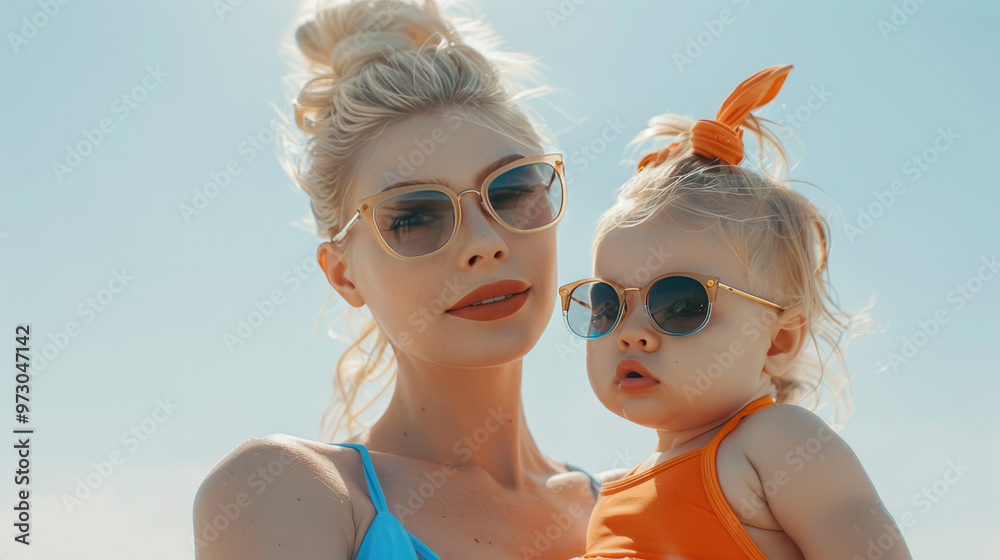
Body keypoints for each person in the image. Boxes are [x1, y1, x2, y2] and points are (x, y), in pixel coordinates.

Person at [193, 1, 600, 559]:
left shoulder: (638, 506)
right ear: (343, 275)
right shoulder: (290, 492)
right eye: (414, 219)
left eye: (511, 191)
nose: (485, 242)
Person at [560, 65, 913, 559]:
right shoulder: (613, 494)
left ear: (777, 342)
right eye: (607, 304)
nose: (631, 333)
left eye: (679, 304)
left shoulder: (775, 442)